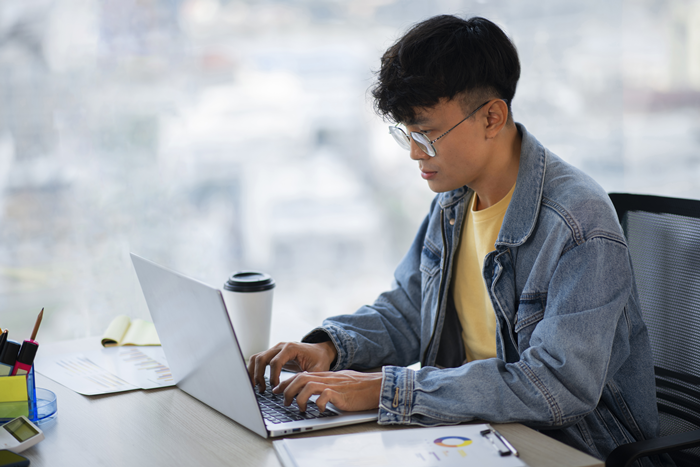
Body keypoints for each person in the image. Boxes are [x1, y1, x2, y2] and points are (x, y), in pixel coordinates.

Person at [248, 15, 667, 465]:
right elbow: (410, 311)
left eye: (427, 134)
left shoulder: (579, 223)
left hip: (571, 447)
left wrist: (388, 390)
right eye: (407, 134)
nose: (415, 153)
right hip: (473, 433)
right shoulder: (453, 201)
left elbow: (557, 386)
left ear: (491, 117)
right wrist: (331, 347)